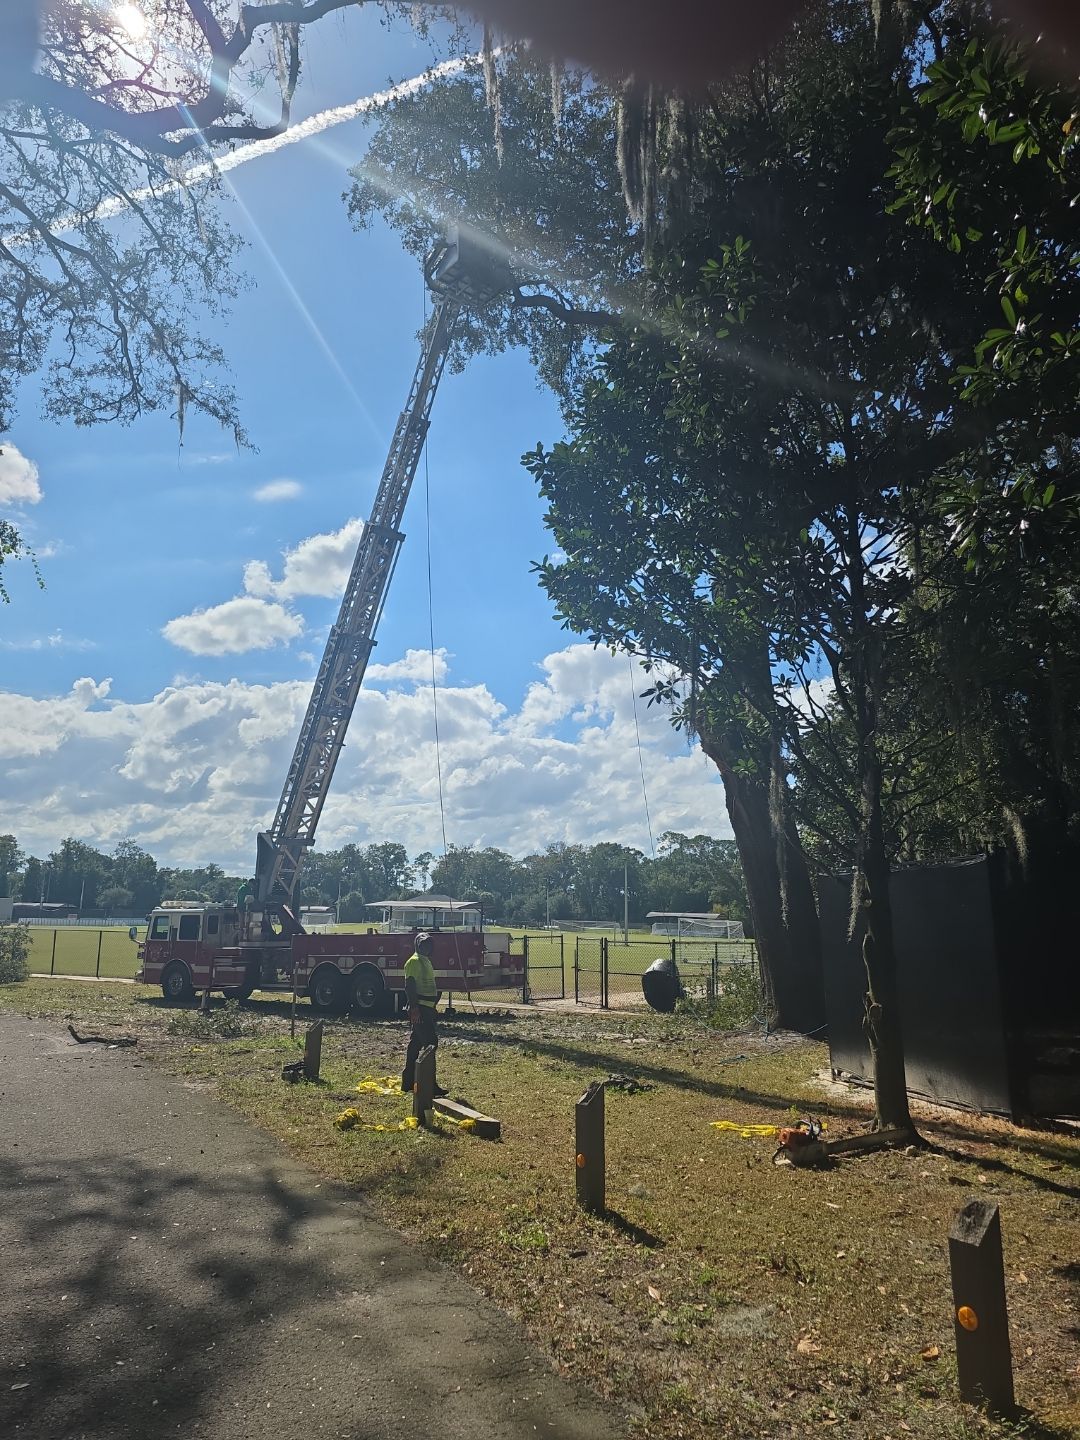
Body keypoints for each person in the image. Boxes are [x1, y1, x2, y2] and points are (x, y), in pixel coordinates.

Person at [401, 932, 448, 1098]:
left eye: (429, 944)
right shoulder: (413, 961)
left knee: (415, 1045)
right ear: (417, 945)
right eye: (423, 944)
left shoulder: (426, 961)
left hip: (427, 1008)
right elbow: (410, 986)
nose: (427, 947)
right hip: (420, 1008)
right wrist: (414, 1009)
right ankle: (429, 1084)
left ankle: (407, 1082)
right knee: (431, 1043)